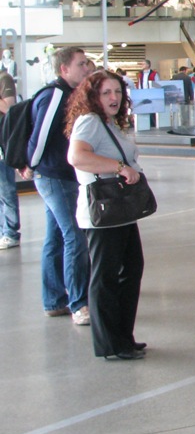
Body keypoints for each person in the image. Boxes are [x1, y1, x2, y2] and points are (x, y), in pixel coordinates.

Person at [65, 71, 147, 360]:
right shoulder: (90, 122)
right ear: (93, 97)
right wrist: (119, 167)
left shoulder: (108, 122)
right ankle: (110, 343)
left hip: (120, 210)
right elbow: (77, 157)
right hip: (103, 212)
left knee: (131, 270)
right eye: (106, 93)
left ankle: (123, 336)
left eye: (118, 92)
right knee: (106, 277)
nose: (114, 98)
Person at [25, 46, 93, 324]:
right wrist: (32, 164)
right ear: (64, 69)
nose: (87, 68)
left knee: (55, 238)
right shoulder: (55, 95)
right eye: (81, 64)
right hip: (55, 176)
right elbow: (40, 135)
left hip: (60, 176)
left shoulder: (72, 94)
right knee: (75, 236)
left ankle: (54, 300)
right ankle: (79, 303)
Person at [0, 67, 20, 249]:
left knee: (6, 190)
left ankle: (10, 232)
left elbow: (9, 108)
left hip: (2, 146)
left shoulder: (4, 78)